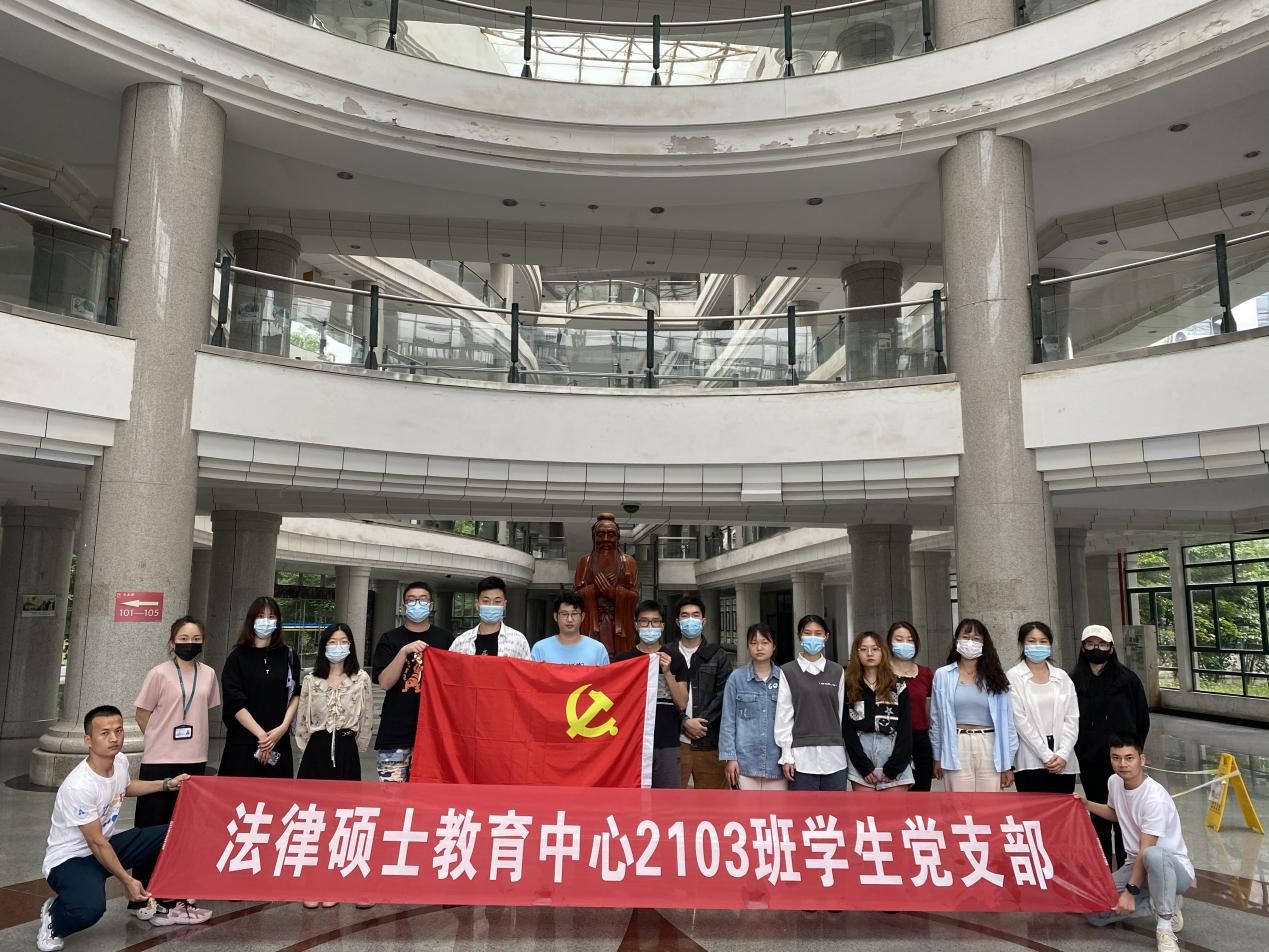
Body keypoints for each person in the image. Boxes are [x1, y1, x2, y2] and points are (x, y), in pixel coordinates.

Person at [38, 706, 200, 952]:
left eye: (119, 730)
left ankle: (162, 898)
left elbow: (126, 787)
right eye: (105, 733)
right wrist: (127, 880)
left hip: (104, 845)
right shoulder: (79, 786)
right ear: (88, 740)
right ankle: (54, 918)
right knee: (89, 909)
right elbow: (95, 842)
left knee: (174, 833)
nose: (114, 738)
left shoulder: (119, 761)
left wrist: (167, 784)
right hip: (71, 860)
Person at [129, 616, 219, 924]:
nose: (189, 644)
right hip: (159, 761)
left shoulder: (209, 674)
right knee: (151, 830)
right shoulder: (158, 674)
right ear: (171, 642)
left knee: (184, 830)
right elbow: (142, 713)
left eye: (195, 639)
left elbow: (204, 709)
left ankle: (177, 894)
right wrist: (159, 739)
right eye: (183, 638)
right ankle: (144, 898)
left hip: (195, 759)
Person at [1083, 735, 1193, 952]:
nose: (1122, 764)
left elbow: (1146, 849)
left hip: (1171, 868)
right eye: (1116, 758)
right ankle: (1161, 902)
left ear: (1142, 759)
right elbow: (1116, 813)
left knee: (1153, 855)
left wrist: (1130, 892)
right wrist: (1087, 805)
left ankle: (1165, 926)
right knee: (1094, 911)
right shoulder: (1114, 782)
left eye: (1129, 758)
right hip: (1135, 863)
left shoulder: (1154, 798)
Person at [296, 623, 373, 910]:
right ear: (324, 645)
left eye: (343, 641)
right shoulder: (311, 679)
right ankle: (311, 882)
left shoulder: (360, 678)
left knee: (342, 819)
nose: (338, 646)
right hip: (316, 750)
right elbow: (302, 719)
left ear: (351, 645)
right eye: (332, 641)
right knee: (313, 818)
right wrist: (308, 747)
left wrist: (355, 747)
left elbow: (366, 717)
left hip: (345, 749)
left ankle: (335, 881)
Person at [1072, 623, 1151, 868]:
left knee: (1125, 814)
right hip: (1090, 760)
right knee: (1099, 815)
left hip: (1121, 760)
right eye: (1090, 644)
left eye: (1102, 644)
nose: (1096, 648)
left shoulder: (1127, 680)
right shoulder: (1073, 681)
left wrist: (1132, 753)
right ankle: (1103, 867)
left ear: (1111, 647)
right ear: (1083, 647)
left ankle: (1127, 866)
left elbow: (1142, 718)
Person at [370, 580, 453, 782]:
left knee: (427, 794)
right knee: (391, 794)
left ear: (431, 605)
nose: (417, 604)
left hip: (433, 733)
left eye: (422, 599)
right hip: (395, 732)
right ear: (403, 606)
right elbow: (385, 683)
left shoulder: (445, 639)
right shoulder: (389, 639)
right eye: (411, 600)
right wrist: (403, 652)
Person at [930, 618, 1017, 792]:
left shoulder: (996, 677)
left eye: (976, 638)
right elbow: (936, 720)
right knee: (959, 802)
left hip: (989, 744)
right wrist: (937, 756)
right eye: (966, 637)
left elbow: (1008, 722)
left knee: (989, 803)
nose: (970, 642)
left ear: (984, 644)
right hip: (956, 743)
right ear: (956, 640)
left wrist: (1008, 763)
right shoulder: (943, 675)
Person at [218, 596, 301, 778]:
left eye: (271, 617)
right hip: (243, 742)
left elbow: (295, 693)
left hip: (278, 740)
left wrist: (282, 728)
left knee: (276, 793)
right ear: (251, 620)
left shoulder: (289, 655)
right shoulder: (237, 657)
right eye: (261, 616)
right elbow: (234, 701)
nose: (266, 621)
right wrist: (262, 737)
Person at [614, 599, 688, 787]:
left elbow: (682, 703)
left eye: (655, 622)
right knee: (630, 796)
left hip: (666, 742)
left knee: (667, 799)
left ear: (662, 626)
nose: (650, 626)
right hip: (631, 742)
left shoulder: (675, 658)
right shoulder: (622, 660)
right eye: (644, 621)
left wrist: (667, 672)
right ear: (636, 625)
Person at [775, 614, 848, 791]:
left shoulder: (837, 671)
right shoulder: (787, 671)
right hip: (801, 758)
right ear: (799, 636)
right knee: (803, 808)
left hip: (835, 757)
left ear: (826, 636)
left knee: (835, 808)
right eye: (807, 633)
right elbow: (784, 716)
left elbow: (840, 715)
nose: (813, 638)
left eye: (818, 633)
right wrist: (786, 755)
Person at [1007, 621, 1080, 794]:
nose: (1037, 645)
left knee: (1063, 809)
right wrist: (1045, 755)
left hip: (1063, 761)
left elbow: (1072, 718)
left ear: (1050, 644)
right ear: (1021, 644)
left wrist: (1063, 753)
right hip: (1030, 761)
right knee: (1034, 810)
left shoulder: (1062, 677)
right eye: (1031, 641)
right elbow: (1019, 720)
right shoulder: (1013, 677)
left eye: (1043, 641)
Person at [674, 594, 732, 789]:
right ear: (677, 621)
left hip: (709, 741)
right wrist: (684, 722)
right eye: (685, 615)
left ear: (703, 621)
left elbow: (723, 695)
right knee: (669, 800)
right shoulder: (667, 653)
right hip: (675, 742)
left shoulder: (718, 655)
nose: (690, 620)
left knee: (713, 802)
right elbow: (662, 696)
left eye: (695, 615)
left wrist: (699, 724)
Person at [843, 631, 913, 792]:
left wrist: (894, 767)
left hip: (892, 749)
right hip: (861, 752)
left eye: (875, 649)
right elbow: (847, 728)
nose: (869, 653)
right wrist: (864, 766)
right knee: (865, 809)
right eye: (863, 649)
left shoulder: (897, 684)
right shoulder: (849, 685)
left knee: (895, 808)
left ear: (883, 652)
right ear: (856, 653)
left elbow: (905, 727)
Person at [720, 625, 786, 791]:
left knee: (777, 809)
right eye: (754, 642)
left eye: (765, 642)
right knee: (744, 808)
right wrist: (730, 758)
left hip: (777, 764)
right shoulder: (736, 678)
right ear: (748, 646)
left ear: (774, 646)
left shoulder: (784, 678)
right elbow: (728, 721)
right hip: (744, 764)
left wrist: (790, 757)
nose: (759, 647)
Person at [572, 512, 641, 654]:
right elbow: (574, 598)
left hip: (619, 624)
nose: (605, 539)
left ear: (618, 537)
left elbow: (635, 597)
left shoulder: (628, 562)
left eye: (611, 534)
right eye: (600, 534)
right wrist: (593, 590)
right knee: (591, 659)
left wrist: (613, 593)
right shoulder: (584, 562)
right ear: (593, 537)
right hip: (592, 623)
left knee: (621, 662)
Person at [887, 621, 934, 791]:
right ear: (890, 643)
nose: (905, 644)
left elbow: (930, 712)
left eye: (910, 640)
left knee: (921, 796)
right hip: (890, 740)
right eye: (899, 639)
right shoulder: (881, 672)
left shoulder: (925, 674)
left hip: (919, 741)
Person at [450, 576, 531, 658]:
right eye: (485, 601)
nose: (491, 606)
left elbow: (527, 666)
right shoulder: (461, 642)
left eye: (497, 601)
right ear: (477, 604)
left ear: (504, 605)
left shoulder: (518, 641)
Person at [531, 592, 610, 665]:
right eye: (564, 614)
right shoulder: (540, 649)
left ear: (582, 617)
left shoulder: (597, 650)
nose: (569, 619)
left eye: (574, 614)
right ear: (555, 616)